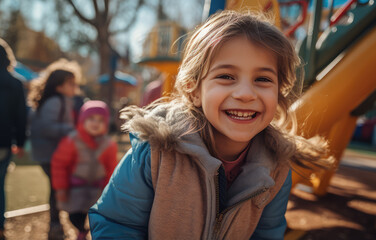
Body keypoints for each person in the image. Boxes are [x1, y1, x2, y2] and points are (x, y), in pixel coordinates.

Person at [89, 10, 331, 239]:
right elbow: (116, 224)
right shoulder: (155, 153)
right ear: (193, 91)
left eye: (263, 79)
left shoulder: (276, 167)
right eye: (226, 76)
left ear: (279, 93)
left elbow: (266, 234)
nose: (246, 93)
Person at [28, 59, 80, 240]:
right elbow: (46, 127)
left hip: (49, 153)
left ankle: (57, 224)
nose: (75, 88)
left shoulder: (57, 100)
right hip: (50, 154)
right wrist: (71, 131)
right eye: (71, 84)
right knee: (56, 189)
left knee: (56, 189)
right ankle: (56, 225)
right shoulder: (56, 101)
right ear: (59, 86)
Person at [51, 100, 117, 240]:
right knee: (74, 215)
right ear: (82, 120)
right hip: (76, 188)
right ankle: (81, 230)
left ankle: (93, 233)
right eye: (91, 119)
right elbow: (59, 165)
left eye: (100, 120)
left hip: (97, 188)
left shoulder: (108, 144)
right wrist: (62, 188)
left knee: (97, 215)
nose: (95, 123)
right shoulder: (72, 141)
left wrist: (109, 189)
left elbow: (111, 168)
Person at [0, 39, 27, 240]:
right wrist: (20, 141)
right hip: (3, 142)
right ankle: (0, 225)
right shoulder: (15, 83)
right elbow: (21, 116)